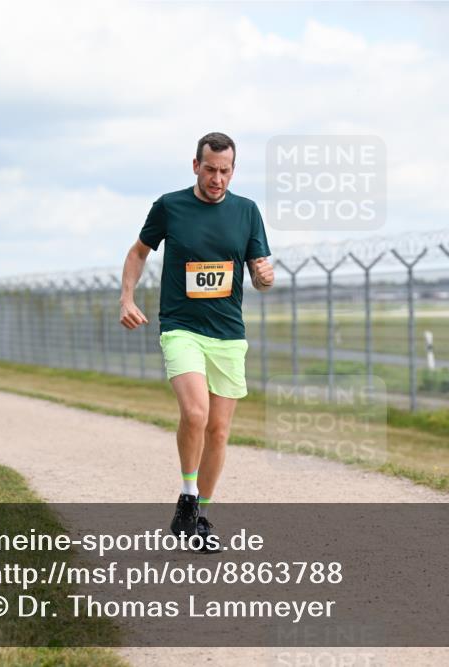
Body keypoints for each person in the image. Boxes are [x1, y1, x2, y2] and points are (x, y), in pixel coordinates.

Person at [119, 132, 274, 551]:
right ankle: (188, 496)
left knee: (220, 431)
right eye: (210, 170)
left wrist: (263, 277)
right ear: (195, 166)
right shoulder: (170, 206)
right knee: (195, 413)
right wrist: (127, 297)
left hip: (228, 334)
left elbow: (260, 271)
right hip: (181, 328)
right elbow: (138, 252)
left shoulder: (247, 212)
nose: (217, 179)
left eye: (225, 171)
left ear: (233, 171)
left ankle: (199, 516)